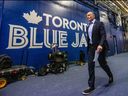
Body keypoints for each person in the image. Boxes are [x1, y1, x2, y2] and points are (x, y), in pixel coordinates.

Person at [82, 11, 113, 95]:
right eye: (86, 15)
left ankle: (110, 76)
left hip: (100, 47)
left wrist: (100, 45)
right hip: (91, 48)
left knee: (102, 63)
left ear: (93, 15)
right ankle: (91, 86)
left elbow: (103, 35)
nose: (87, 16)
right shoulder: (88, 26)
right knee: (90, 65)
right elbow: (89, 38)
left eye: (89, 15)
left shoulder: (99, 23)